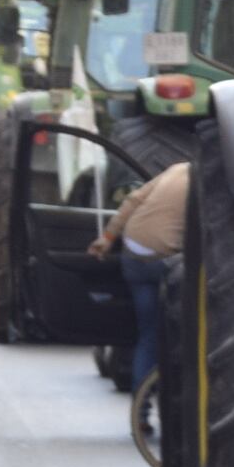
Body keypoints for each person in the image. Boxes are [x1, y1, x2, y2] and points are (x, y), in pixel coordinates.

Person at [89, 158, 190, 392]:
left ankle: (141, 407)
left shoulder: (176, 168)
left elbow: (133, 199)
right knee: (183, 333)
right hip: (165, 260)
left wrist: (107, 237)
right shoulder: (209, 181)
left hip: (132, 253)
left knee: (148, 334)